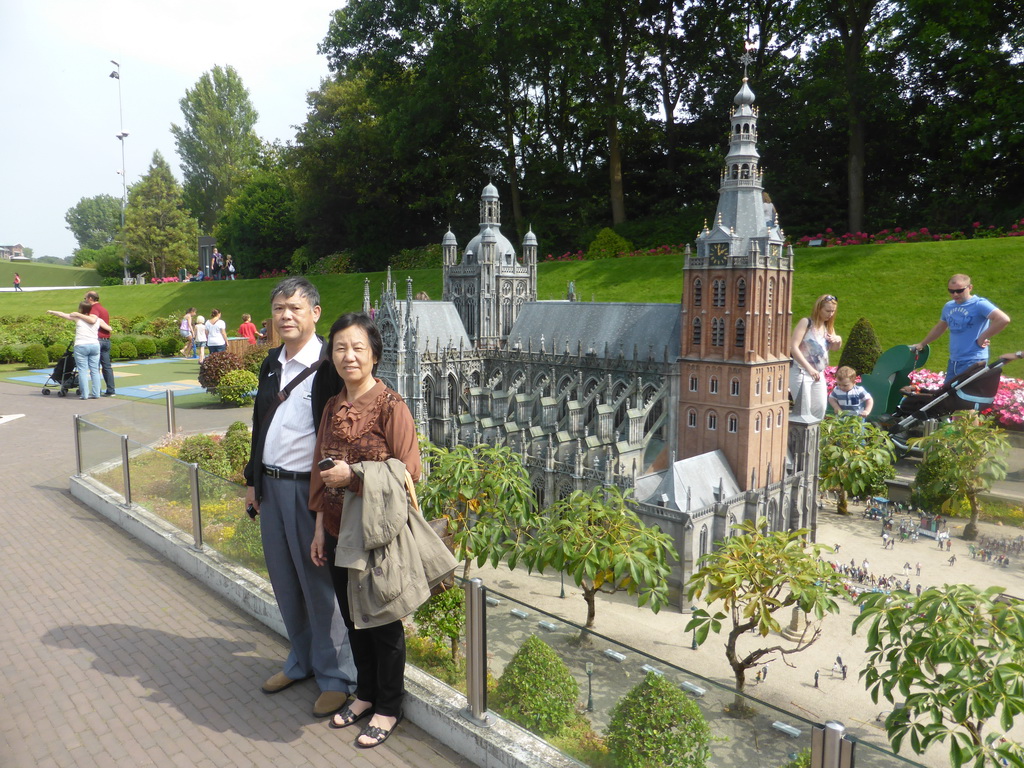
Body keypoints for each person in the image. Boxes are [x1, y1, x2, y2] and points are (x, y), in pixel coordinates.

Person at [242, 277, 356, 718]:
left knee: (319, 586)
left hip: (310, 492)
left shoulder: (331, 366)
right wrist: (253, 480)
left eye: (294, 308)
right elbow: (260, 421)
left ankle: (337, 677)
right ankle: (301, 661)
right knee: (285, 582)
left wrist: (326, 506)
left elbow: (340, 440)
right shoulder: (271, 363)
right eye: (278, 309)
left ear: (315, 313)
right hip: (271, 489)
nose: (285, 316)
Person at [308, 312, 421, 748]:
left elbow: (409, 473)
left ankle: (389, 706)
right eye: (339, 347)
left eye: (357, 347)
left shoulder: (393, 406)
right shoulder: (333, 406)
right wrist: (320, 529)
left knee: (384, 624)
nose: (348, 356)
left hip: (377, 535)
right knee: (354, 618)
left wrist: (354, 476)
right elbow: (320, 475)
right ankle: (366, 694)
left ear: (374, 354)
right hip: (337, 530)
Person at [910, 274, 1010, 382]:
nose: (955, 294)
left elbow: (1003, 319)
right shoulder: (949, 306)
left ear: (970, 287)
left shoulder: (979, 304)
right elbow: (940, 327)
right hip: (954, 360)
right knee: (946, 395)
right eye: (951, 291)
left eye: (959, 290)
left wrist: (983, 337)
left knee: (965, 396)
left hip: (974, 360)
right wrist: (922, 343)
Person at [790, 294, 841, 421]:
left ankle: (815, 440)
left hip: (819, 373)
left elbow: (835, 348)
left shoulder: (828, 327)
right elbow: (793, 347)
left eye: (833, 311)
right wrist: (810, 369)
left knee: (820, 409)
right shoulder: (806, 323)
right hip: (801, 372)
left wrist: (838, 339)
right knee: (804, 411)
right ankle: (801, 440)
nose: (830, 314)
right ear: (819, 309)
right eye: (827, 311)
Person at [47, 301, 110, 399]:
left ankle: (84, 394)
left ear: (81, 309)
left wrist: (52, 311)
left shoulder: (77, 318)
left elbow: (62, 314)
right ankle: (96, 393)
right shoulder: (97, 319)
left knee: (82, 371)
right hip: (94, 345)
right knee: (95, 370)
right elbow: (109, 328)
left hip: (81, 345)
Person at [83, 291, 116, 397]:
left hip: (97, 339)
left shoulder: (94, 309)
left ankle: (97, 391)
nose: (85, 301)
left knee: (94, 367)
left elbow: (92, 320)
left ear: (90, 299)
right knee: (107, 366)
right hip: (106, 340)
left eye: (85, 299)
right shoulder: (103, 309)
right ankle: (111, 390)